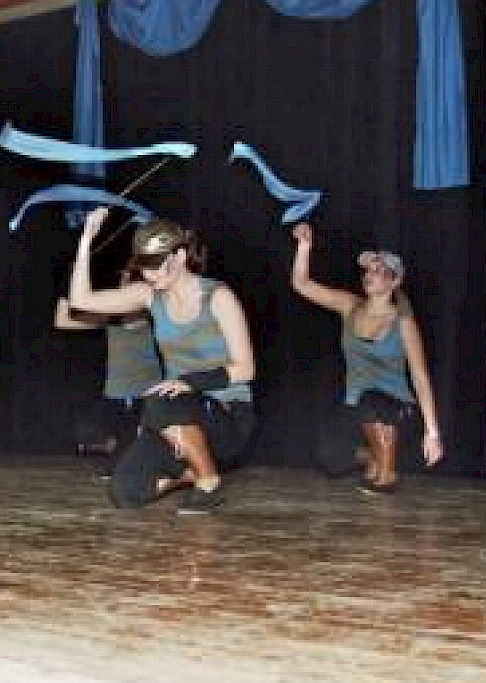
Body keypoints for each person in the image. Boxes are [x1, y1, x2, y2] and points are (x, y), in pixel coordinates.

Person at [69, 207, 256, 514]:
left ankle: (209, 483)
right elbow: (81, 301)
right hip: (174, 413)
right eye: (145, 266)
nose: (150, 274)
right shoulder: (149, 296)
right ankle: (191, 473)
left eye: (157, 265)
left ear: (179, 256)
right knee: (124, 492)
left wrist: (188, 383)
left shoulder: (217, 296)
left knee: (160, 399)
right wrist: (87, 237)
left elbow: (246, 368)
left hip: (227, 415)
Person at [289, 223, 442, 492]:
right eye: (368, 270)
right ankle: (374, 457)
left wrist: (432, 433)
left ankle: (387, 475)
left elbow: (420, 376)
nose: (370, 275)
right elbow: (301, 285)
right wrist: (304, 245)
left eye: (379, 271)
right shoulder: (349, 306)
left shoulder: (402, 322)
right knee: (331, 458)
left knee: (372, 403)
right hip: (356, 406)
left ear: (394, 281)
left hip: (396, 407)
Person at [53, 270, 163, 461]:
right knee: (88, 433)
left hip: (148, 397)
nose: (122, 285)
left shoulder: (157, 315)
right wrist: (68, 284)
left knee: (138, 453)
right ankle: (115, 445)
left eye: (128, 280)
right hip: (117, 399)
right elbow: (62, 321)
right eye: (121, 279)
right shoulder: (111, 318)